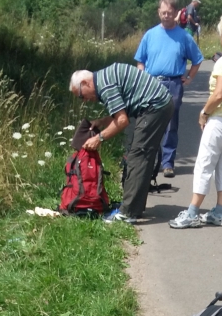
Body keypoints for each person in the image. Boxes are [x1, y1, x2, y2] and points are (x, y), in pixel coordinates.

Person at [169, 10, 222, 229]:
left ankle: (192, 212)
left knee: (204, 164)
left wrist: (204, 112)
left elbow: (219, 94)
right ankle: (219, 212)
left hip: (221, 118)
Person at [70, 64, 173, 223]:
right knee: (140, 156)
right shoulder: (103, 79)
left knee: (138, 158)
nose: (84, 101)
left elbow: (122, 121)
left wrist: (98, 138)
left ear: (85, 83)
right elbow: (121, 114)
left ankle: (128, 212)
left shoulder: (105, 86)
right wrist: (102, 122)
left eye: (81, 96)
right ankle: (133, 207)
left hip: (156, 107)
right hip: (158, 105)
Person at [134, 0, 203, 178]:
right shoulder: (150, 35)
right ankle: (148, 161)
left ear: (176, 13)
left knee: (171, 124)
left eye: (169, 13)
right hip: (151, 83)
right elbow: (140, 60)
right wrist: (142, 76)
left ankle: (167, 163)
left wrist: (189, 78)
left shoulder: (184, 37)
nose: (166, 16)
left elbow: (197, 60)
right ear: (159, 12)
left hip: (173, 84)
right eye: (163, 12)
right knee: (149, 123)